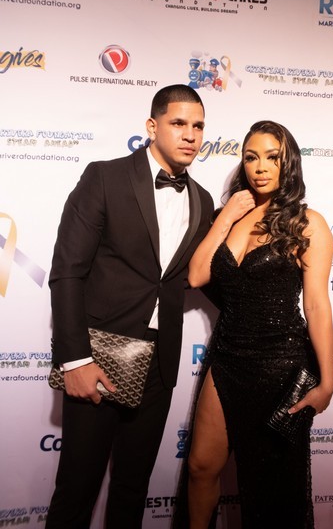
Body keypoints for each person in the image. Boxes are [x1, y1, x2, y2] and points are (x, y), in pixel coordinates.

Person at [45, 84, 214, 529]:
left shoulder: (202, 200)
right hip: (98, 358)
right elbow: (67, 272)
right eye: (178, 123)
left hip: (159, 365)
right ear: (152, 126)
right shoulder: (105, 177)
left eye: (198, 126)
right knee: (76, 490)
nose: (190, 135)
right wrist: (75, 360)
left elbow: (196, 276)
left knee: (132, 490)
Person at [186, 120, 333, 528]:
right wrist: (227, 216)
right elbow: (196, 276)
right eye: (251, 157)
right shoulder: (230, 217)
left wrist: (327, 380)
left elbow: (317, 305)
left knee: (273, 486)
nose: (261, 167)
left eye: (272, 157)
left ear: (289, 163)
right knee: (201, 466)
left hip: (280, 366)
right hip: (227, 358)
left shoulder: (307, 223)